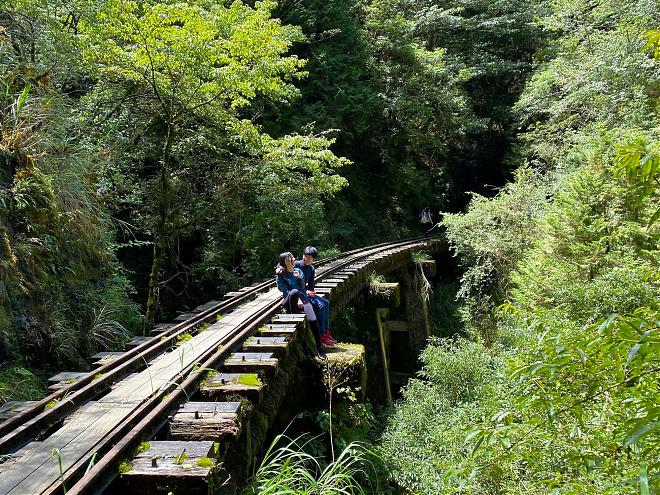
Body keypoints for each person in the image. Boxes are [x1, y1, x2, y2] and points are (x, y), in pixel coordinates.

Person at [275, 252, 326, 358]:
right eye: (292, 259)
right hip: (289, 299)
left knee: (312, 318)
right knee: (293, 291)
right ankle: (293, 313)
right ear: (286, 262)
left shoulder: (298, 271)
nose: (294, 260)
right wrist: (283, 272)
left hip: (301, 296)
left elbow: (302, 287)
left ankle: (319, 347)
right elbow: (283, 290)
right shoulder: (280, 275)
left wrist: (299, 278)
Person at [295, 246, 336, 346]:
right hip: (296, 294)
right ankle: (321, 335)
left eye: (309, 257)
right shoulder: (296, 264)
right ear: (303, 255)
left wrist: (311, 293)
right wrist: (279, 268)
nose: (306, 259)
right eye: (305, 256)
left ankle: (326, 333)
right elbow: (282, 263)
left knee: (325, 302)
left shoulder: (311, 268)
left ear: (314, 259)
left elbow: (311, 285)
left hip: (304, 293)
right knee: (320, 306)